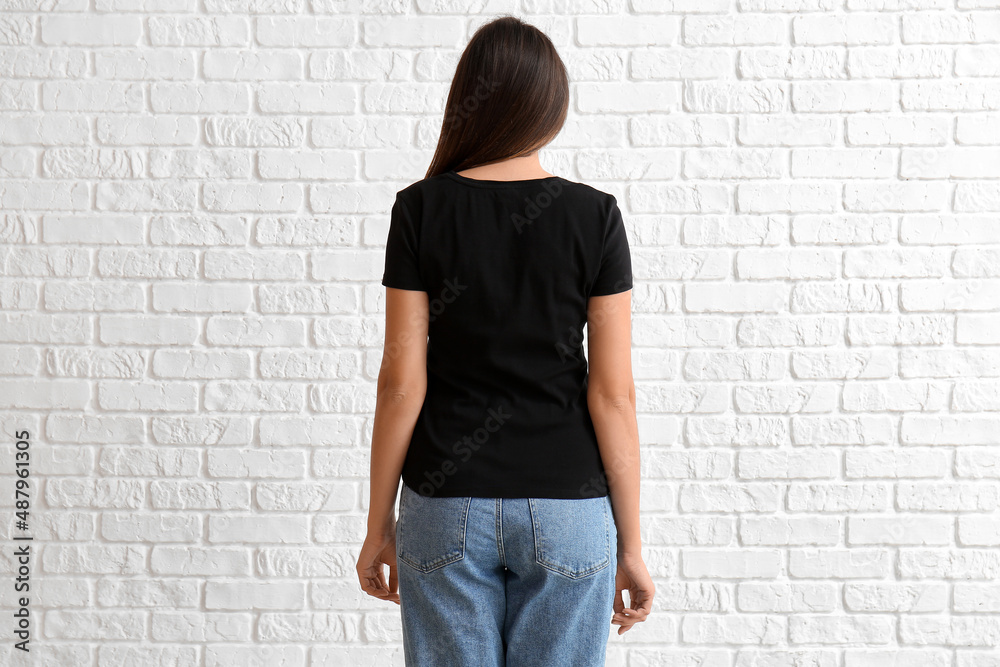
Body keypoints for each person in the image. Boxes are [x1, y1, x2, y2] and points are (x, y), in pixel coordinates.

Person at [355, 15, 655, 667]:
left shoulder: (419, 210)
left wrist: (379, 524)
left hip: (444, 504)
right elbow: (612, 394)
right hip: (569, 508)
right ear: (551, 106)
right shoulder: (594, 217)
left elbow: (401, 383)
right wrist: (630, 543)